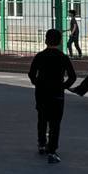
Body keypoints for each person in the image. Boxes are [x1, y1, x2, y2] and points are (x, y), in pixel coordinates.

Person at [28, 29, 76, 164]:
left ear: (46, 40)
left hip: (42, 92)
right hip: (57, 93)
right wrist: (63, 86)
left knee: (42, 118)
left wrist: (37, 83)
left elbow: (31, 74)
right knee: (55, 122)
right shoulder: (63, 57)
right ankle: (52, 150)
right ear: (60, 41)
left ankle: (41, 143)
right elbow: (72, 76)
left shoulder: (40, 56)